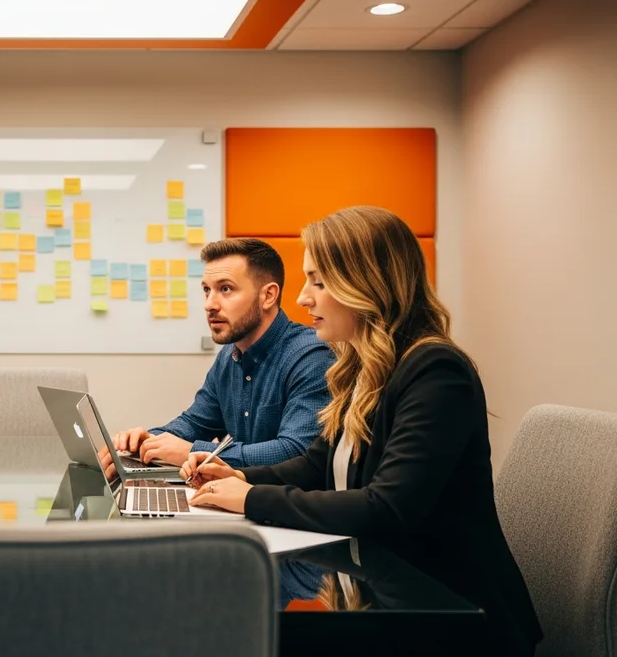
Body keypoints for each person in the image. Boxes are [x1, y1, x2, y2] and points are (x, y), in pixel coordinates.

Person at [181, 206, 542, 655]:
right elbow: (318, 464)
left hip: (457, 622)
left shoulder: (434, 371)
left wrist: (252, 499)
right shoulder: (364, 369)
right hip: (387, 595)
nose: (303, 298)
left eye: (318, 281)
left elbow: (387, 507)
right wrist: (240, 478)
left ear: (364, 283)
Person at [110, 238, 333, 471]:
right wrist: (146, 442)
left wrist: (193, 452)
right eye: (207, 290)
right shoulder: (230, 355)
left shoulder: (312, 356)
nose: (209, 304)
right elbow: (194, 422)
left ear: (268, 296)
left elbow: (296, 452)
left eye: (225, 289)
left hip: (279, 503)